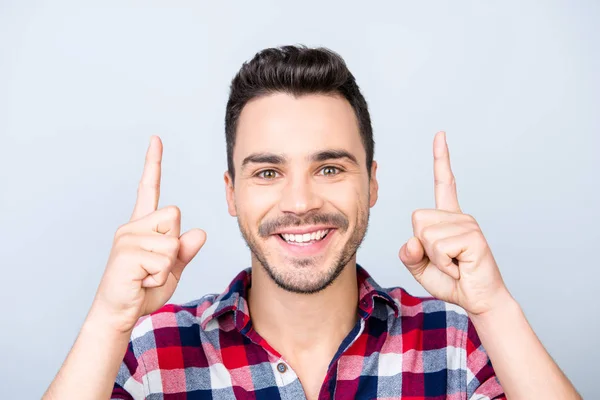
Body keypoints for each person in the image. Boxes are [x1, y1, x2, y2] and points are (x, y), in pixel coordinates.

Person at [43, 45, 581, 400]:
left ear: (371, 183)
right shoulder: (149, 352)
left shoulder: (457, 342)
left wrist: (495, 307)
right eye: (268, 171)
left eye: (329, 167)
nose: (299, 201)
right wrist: (106, 321)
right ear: (231, 194)